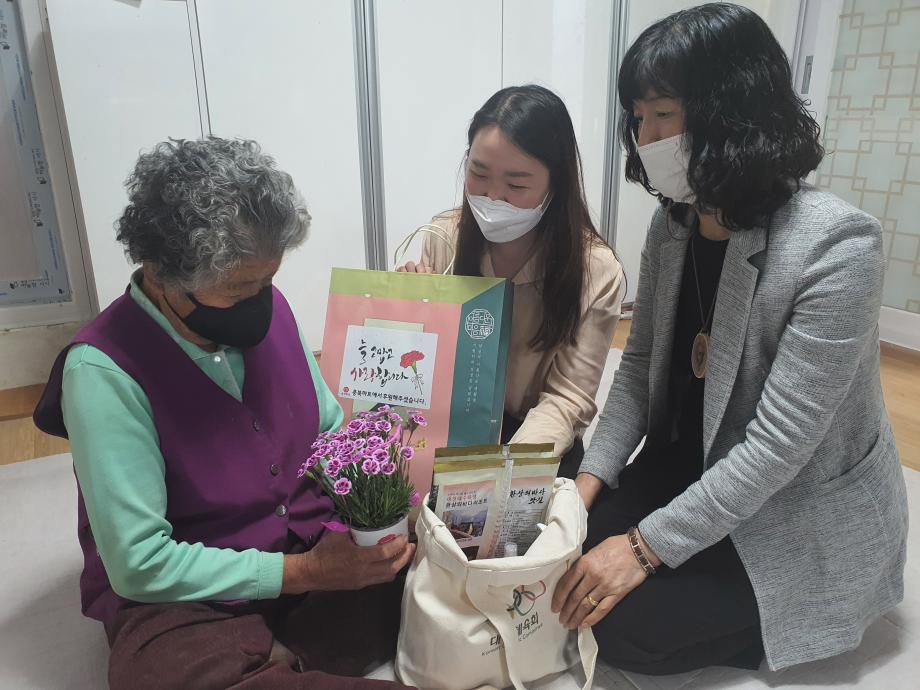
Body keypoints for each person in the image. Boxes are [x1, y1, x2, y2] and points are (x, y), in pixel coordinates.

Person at [551, 3, 909, 676]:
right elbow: (639, 370)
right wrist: (586, 487)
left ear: (732, 110)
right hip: (695, 462)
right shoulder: (675, 227)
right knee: (559, 547)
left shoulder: (837, 243)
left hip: (791, 505)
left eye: (664, 114)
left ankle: (790, 619)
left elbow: (777, 449)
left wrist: (641, 549)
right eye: (637, 115)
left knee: (627, 628)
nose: (645, 134)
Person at [34, 138, 414, 689]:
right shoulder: (104, 371)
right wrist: (302, 574)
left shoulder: (269, 307)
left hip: (313, 539)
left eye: (268, 281)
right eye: (238, 290)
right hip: (199, 588)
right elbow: (139, 562)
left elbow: (331, 431)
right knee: (166, 671)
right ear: (161, 275)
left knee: (435, 560)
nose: (260, 301)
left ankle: (289, 655)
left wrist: (383, 517)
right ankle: (293, 652)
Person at [399, 84, 624, 467]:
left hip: (537, 435)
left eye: (516, 185)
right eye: (478, 173)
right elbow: (424, 372)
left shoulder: (595, 270)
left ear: (556, 185)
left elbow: (567, 400)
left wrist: (498, 471)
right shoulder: (445, 238)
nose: (492, 197)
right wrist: (409, 310)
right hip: (456, 422)